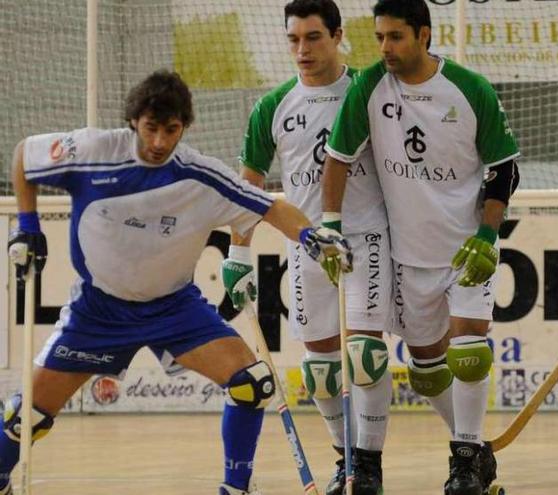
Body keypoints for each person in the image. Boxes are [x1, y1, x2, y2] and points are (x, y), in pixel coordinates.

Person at [4, 69, 350, 495]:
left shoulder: (201, 176)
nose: (159, 143)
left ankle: (236, 488)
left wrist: (312, 236)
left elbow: (271, 207)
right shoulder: (93, 151)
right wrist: (26, 225)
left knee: (251, 382)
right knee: (27, 418)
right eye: (151, 129)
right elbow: (24, 157)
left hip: (174, 309)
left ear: (184, 126)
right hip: (99, 310)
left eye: (171, 130)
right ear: (134, 120)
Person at [321, 1, 520, 493]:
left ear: (424, 35)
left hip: (467, 248)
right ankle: (477, 448)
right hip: (408, 255)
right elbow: (338, 159)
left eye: (396, 37)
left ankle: (465, 462)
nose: (385, 48)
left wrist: (488, 236)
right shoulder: (369, 86)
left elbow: (503, 170)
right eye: (380, 37)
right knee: (428, 371)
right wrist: (329, 226)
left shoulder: (469, 88)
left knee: (469, 353)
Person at [223, 2, 392, 493]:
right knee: (320, 370)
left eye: (314, 38)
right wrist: (238, 255)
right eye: (294, 39)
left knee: (365, 355)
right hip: (306, 245)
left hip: (366, 238)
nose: (303, 50)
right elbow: (248, 189)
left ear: (338, 36)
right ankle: (345, 459)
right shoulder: (272, 106)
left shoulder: (370, 90)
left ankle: (370, 466)